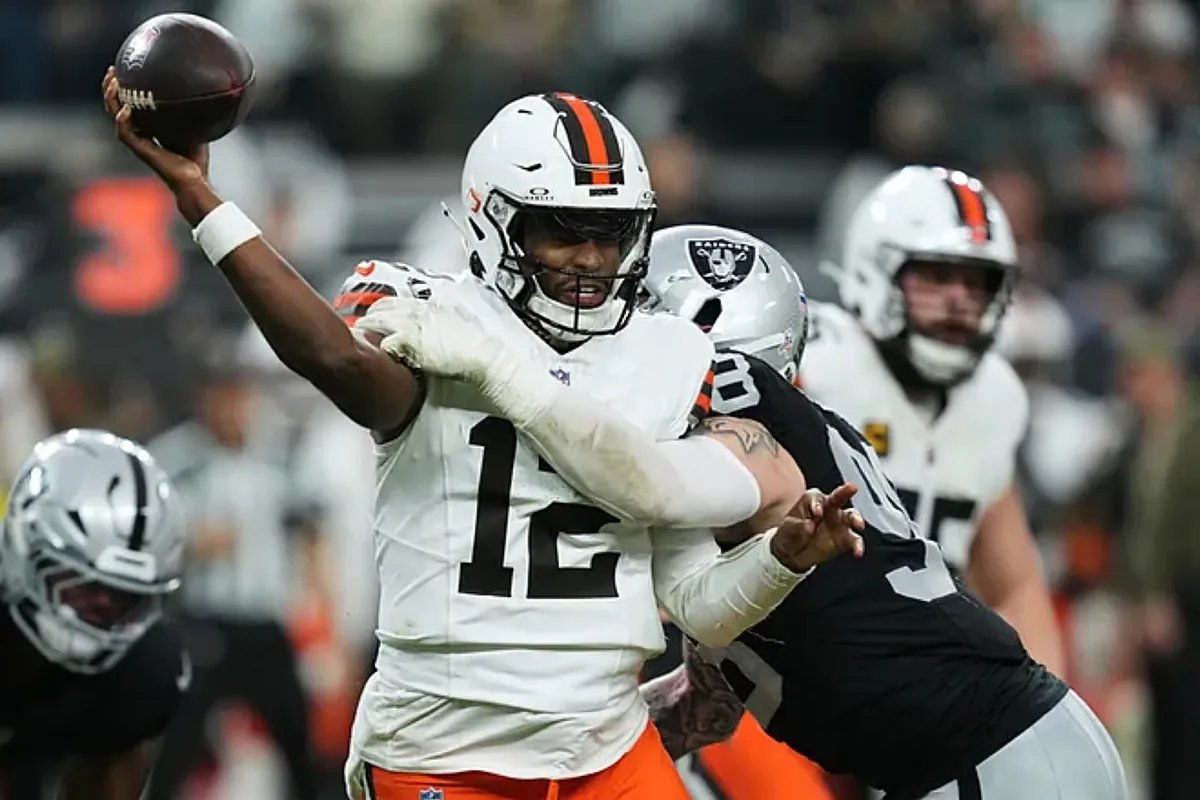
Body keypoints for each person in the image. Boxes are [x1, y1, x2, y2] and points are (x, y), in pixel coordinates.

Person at [101, 73, 863, 800]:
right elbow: (335, 360)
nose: (591, 258)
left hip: (606, 745)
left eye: (611, 233)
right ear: (495, 221)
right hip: (445, 745)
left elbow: (695, 599)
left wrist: (780, 559)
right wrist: (203, 200)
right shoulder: (437, 315)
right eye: (564, 230)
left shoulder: (667, 355)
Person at [361, 224, 1129, 799]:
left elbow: (649, 483)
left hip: (1000, 756)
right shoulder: (743, 494)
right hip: (977, 755)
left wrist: (494, 362)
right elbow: (707, 706)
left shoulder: (741, 421)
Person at [804, 165, 1065, 677]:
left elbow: (1015, 584)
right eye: (937, 277)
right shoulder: (816, 365)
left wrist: (1049, 701)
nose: (959, 301)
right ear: (876, 271)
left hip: (921, 681)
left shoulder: (993, 398)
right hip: (798, 663)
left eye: (977, 283)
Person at [0, 428, 189, 800]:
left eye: (126, 598)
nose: (100, 611)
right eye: (80, 587)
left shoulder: (145, 669)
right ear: (22, 546)